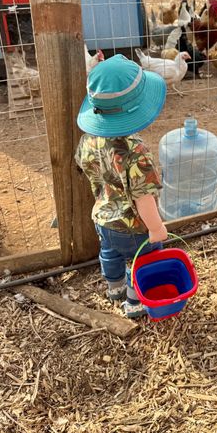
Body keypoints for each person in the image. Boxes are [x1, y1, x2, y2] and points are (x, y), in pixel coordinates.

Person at [75, 53, 168, 318]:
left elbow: (83, 165)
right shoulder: (135, 152)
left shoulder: (89, 139)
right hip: (134, 227)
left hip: (103, 219)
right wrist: (157, 228)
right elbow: (144, 199)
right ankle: (133, 301)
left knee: (109, 253)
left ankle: (114, 288)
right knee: (143, 261)